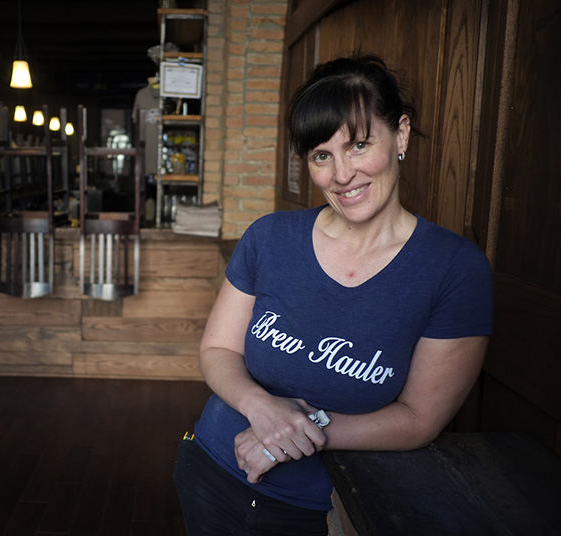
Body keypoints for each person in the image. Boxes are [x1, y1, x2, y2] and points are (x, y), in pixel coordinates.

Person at [173, 55, 493, 535]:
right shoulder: (268, 237)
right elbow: (218, 350)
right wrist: (263, 409)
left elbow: (419, 418)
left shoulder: (455, 270)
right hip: (212, 469)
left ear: (400, 135)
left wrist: (298, 432)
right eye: (322, 155)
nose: (342, 175)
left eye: (359, 145)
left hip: (328, 510)